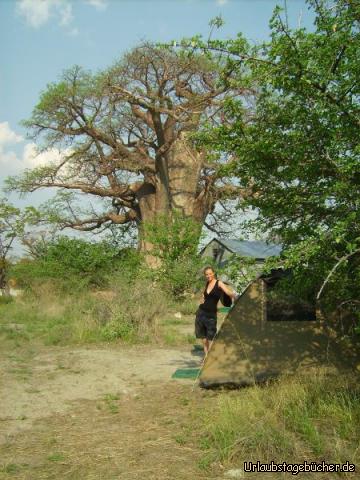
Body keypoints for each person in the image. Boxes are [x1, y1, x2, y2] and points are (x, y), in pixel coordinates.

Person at [195, 266, 236, 359]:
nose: (208, 276)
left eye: (210, 273)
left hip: (211, 314)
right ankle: (206, 357)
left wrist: (235, 297)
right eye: (206, 274)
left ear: (213, 273)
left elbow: (228, 292)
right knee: (203, 338)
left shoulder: (219, 283)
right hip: (201, 313)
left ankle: (212, 358)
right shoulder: (207, 283)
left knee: (211, 337)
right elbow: (204, 295)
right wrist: (201, 299)